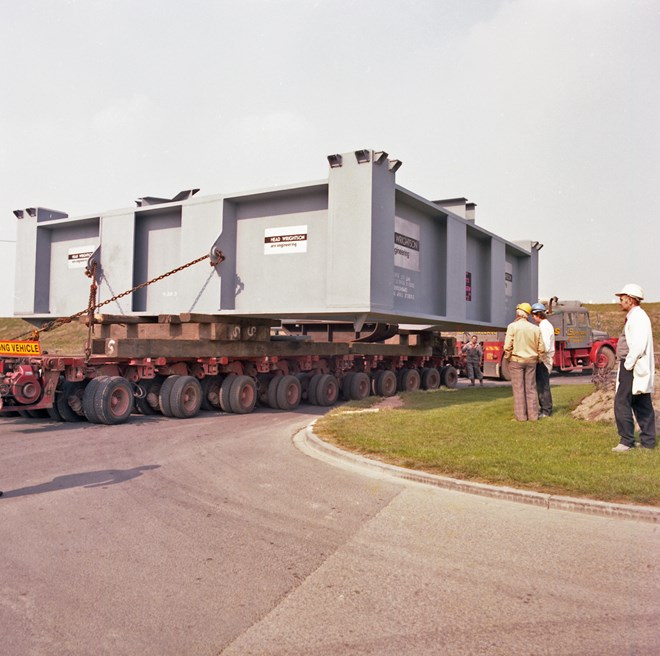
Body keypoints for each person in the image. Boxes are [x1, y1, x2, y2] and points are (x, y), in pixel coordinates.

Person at [612, 284, 656, 452]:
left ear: (630, 299)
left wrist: (628, 365)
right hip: (635, 365)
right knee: (641, 402)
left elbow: (637, 345)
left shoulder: (638, 318)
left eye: (622, 298)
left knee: (621, 402)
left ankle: (626, 440)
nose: (620, 302)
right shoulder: (637, 316)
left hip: (632, 365)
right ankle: (648, 441)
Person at [503, 302, 545, 421]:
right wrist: (538, 358)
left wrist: (508, 357)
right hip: (532, 361)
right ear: (528, 314)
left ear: (518, 313)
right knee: (531, 388)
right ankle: (533, 416)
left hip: (516, 360)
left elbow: (507, 346)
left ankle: (521, 417)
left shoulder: (512, 326)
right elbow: (541, 348)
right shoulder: (536, 328)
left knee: (518, 389)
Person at [531, 303, 555, 417]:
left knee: (543, 385)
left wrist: (539, 357)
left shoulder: (544, 326)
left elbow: (544, 346)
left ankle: (546, 410)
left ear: (537, 314)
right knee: (542, 385)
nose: (533, 318)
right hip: (545, 358)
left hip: (544, 359)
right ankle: (545, 409)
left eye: (533, 315)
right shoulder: (545, 325)